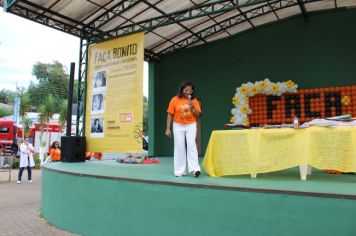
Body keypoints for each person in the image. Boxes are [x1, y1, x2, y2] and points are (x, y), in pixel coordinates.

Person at [165, 81, 202, 177]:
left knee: (191, 145)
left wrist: (193, 106)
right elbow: (170, 114)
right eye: (186, 90)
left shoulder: (194, 100)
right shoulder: (175, 100)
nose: (188, 92)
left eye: (190, 90)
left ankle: (195, 169)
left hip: (191, 125)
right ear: (182, 90)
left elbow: (198, 115)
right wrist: (168, 129)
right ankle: (179, 171)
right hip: (178, 125)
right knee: (179, 147)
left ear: (192, 91)